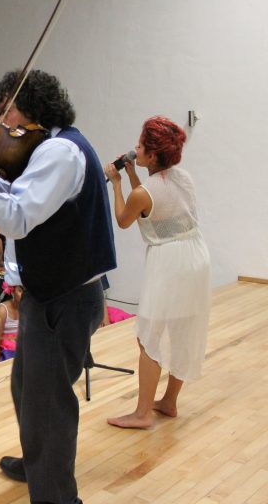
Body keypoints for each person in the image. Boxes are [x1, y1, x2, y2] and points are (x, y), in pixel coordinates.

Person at [0, 69, 116, 504]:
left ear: (31, 108)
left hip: (64, 296)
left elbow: (16, 218)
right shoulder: (49, 148)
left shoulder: (60, 152)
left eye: (4, 111)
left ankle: (56, 495)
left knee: (47, 403)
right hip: (49, 293)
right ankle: (38, 461)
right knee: (25, 386)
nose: (0, 123)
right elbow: (20, 194)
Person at [105, 116, 210, 430]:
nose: (135, 147)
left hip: (170, 262)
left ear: (152, 155)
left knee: (147, 335)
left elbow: (126, 218)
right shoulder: (182, 177)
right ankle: (169, 402)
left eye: (140, 145)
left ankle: (141, 415)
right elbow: (151, 204)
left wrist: (117, 183)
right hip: (196, 255)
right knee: (183, 328)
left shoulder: (144, 192)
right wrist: (135, 175)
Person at [0, 283, 22, 357]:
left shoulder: (27, 308)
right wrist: (12, 339)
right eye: (20, 291)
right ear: (12, 291)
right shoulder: (2, 309)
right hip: (4, 348)